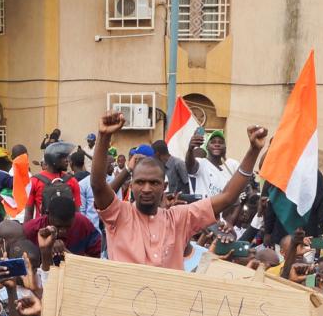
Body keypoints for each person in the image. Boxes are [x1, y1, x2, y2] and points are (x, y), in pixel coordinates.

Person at [89, 113, 264, 270]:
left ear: (164, 186)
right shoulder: (118, 214)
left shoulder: (179, 219)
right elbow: (98, 185)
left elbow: (227, 197)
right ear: (132, 185)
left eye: (154, 183)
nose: (147, 189)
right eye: (140, 182)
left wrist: (254, 150)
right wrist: (104, 136)